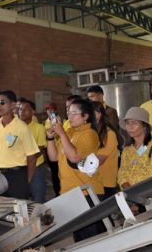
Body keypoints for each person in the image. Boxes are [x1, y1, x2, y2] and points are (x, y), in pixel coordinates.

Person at [47, 98, 102, 239]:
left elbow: (75, 157)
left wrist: (62, 134)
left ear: (85, 116)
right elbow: (53, 157)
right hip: (70, 191)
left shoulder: (90, 134)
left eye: (74, 113)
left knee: (89, 237)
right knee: (79, 235)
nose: (69, 117)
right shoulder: (70, 132)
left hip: (86, 192)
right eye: (68, 113)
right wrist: (50, 138)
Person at [0, 90, 39, 200]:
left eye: (2, 102)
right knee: (2, 209)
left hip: (17, 176)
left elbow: (32, 157)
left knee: (19, 211)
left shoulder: (22, 127)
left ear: (13, 105)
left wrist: (26, 180)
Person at [117, 107, 152, 205]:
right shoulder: (127, 150)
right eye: (128, 123)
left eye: (135, 123)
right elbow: (121, 175)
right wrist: (131, 194)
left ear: (144, 126)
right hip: (132, 200)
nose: (130, 127)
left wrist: (137, 195)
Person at [16, 98, 48, 203]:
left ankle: (40, 218)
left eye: (25, 109)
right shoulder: (16, 128)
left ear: (33, 112)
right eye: (20, 109)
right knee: (21, 199)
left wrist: (27, 158)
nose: (22, 112)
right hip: (20, 167)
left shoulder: (39, 128)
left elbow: (41, 148)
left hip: (36, 167)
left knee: (38, 197)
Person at [92, 102, 121, 197]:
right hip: (94, 181)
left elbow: (98, 161)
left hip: (105, 183)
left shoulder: (109, 134)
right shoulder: (91, 132)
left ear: (99, 114)